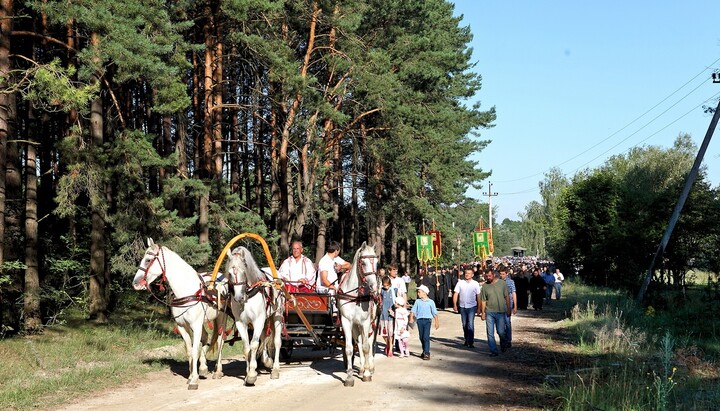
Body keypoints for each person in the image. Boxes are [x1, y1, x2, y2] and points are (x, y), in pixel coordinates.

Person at [479, 269, 511, 356]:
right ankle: (493, 351)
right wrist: (483, 312)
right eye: (486, 276)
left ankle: (503, 344)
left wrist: (508, 309)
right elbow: (483, 300)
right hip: (489, 312)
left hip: (500, 311)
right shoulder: (485, 286)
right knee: (490, 333)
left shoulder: (502, 283)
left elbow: (507, 297)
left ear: (493, 275)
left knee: (501, 332)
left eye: (489, 276)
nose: (488, 278)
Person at [452, 266, 481, 348]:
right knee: (464, 324)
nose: (467, 275)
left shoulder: (475, 284)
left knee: (470, 324)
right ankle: (466, 339)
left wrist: (479, 308)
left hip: (472, 306)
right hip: (462, 307)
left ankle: (470, 342)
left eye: (469, 273)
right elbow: (456, 294)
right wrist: (454, 305)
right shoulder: (460, 283)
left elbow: (478, 296)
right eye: (466, 273)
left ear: (472, 275)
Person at [409, 285, 439, 360]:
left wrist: (436, 322)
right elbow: (413, 310)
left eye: (419, 292)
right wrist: (411, 318)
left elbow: (434, 313)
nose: (418, 293)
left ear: (424, 293)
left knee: (426, 337)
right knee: (421, 337)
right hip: (419, 321)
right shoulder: (417, 301)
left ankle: (427, 352)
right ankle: (424, 350)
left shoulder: (431, 302)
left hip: (427, 321)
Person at [497, 265, 517, 350]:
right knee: (500, 324)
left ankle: (508, 340)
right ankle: (503, 340)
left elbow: (513, 293)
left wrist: (515, 306)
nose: (502, 276)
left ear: (507, 274)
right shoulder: (497, 282)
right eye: (500, 274)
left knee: (507, 322)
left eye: (503, 274)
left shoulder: (511, 282)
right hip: (499, 305)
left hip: (508, 305)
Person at [379, 276, 396, 357]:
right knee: (384, 333)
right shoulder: (382, 291)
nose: (386, 287)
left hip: (391, 315)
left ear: (390, 284)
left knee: (391, 333)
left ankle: (390, 349)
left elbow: (397, 300)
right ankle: (388, 344)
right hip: (383, 314)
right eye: (384, 285)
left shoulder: (394, 290)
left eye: (387, 285)